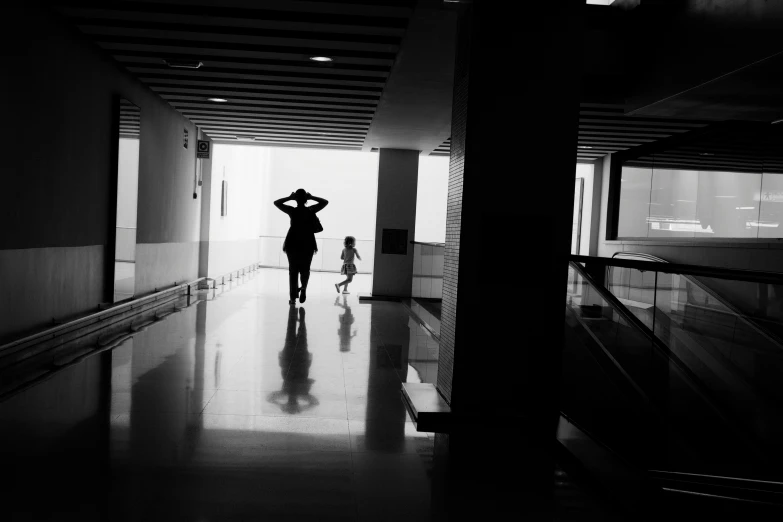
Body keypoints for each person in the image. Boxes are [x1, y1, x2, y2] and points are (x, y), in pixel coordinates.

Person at [274, 189, 328, 305]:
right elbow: (325, 202)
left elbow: (276, 203)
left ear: (296, 199)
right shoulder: (311, 209)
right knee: (305, 268)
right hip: (308, 242)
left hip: (292, 242)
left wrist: (289, 198)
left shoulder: (292, 211)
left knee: (293, 271)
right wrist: (312, 197)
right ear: (305, 199)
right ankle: (303, 288)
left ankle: (293, 298)